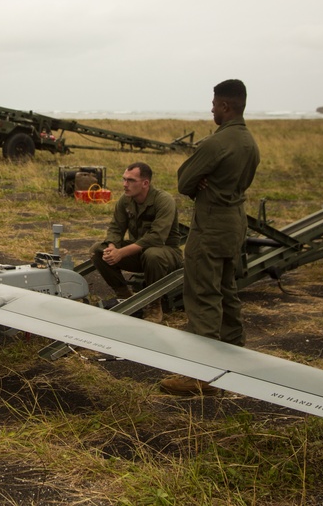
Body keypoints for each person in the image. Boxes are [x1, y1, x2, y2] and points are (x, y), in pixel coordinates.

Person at [160, 79, 260, 395]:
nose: (212, 108)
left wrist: (202, 183)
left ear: (226, 106)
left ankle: (198, 376)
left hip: (211, 224)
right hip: (235, 223)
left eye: (215, 103)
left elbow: (184, 181)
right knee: (227, 291)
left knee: (203, 295)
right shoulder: (249, 142)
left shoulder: (216, 143)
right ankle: (234, 360)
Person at [90, 162, 183, 323]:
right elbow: (116, 228)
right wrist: (112, 248)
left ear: (145, 183)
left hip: (166, 254)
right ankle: (124, 296)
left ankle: (153, 304)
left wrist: (121, 253)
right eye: (124, 179)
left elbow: (156, 237)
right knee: (98, 250)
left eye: (131, 180)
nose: (125, 184)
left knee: (153, 254)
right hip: (139, 253)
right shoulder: (125, 200)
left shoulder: (164, 201)